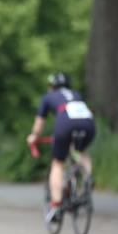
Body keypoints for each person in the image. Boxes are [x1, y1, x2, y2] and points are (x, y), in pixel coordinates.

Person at [26, 72, 96, 223]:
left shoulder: (48, 97)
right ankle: (88, 177)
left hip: (65, 124)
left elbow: (39, 124)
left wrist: (34, 136)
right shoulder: (76, 94)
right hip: (88, 123)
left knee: (58, 163)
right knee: (81, 151)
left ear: (52, 86)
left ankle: (56, 206)